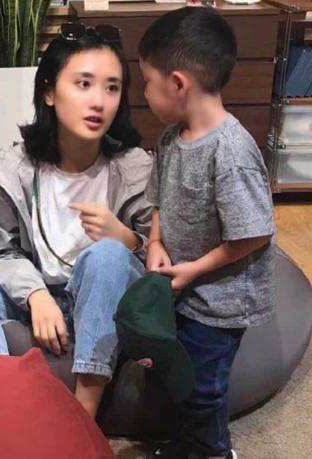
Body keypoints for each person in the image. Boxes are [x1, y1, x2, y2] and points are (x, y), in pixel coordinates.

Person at [0, 23, 153, 420]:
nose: (99, 101)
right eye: (84, 84)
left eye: (112, 88)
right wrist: (36, 295)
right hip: (38, 296)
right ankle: (1, 392)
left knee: (106, 255)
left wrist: (124, 238)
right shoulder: (18, 167)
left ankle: (83, 414)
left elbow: (157, 259)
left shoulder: (134, 167)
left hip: (105, 303)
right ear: (49, 92)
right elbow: (4, 252)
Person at [138, 7, 276, 458]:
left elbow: (254, 234)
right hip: (183, 288)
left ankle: (215, 453)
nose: (144, 94)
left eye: (147, 83)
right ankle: (186, 447)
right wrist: (155, 241)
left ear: (178, 84)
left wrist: (195, 269)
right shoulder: (170, 138)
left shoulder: (231, 152)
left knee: (203, 389)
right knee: (177, 377)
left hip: (221, 300)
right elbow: (158, 200)